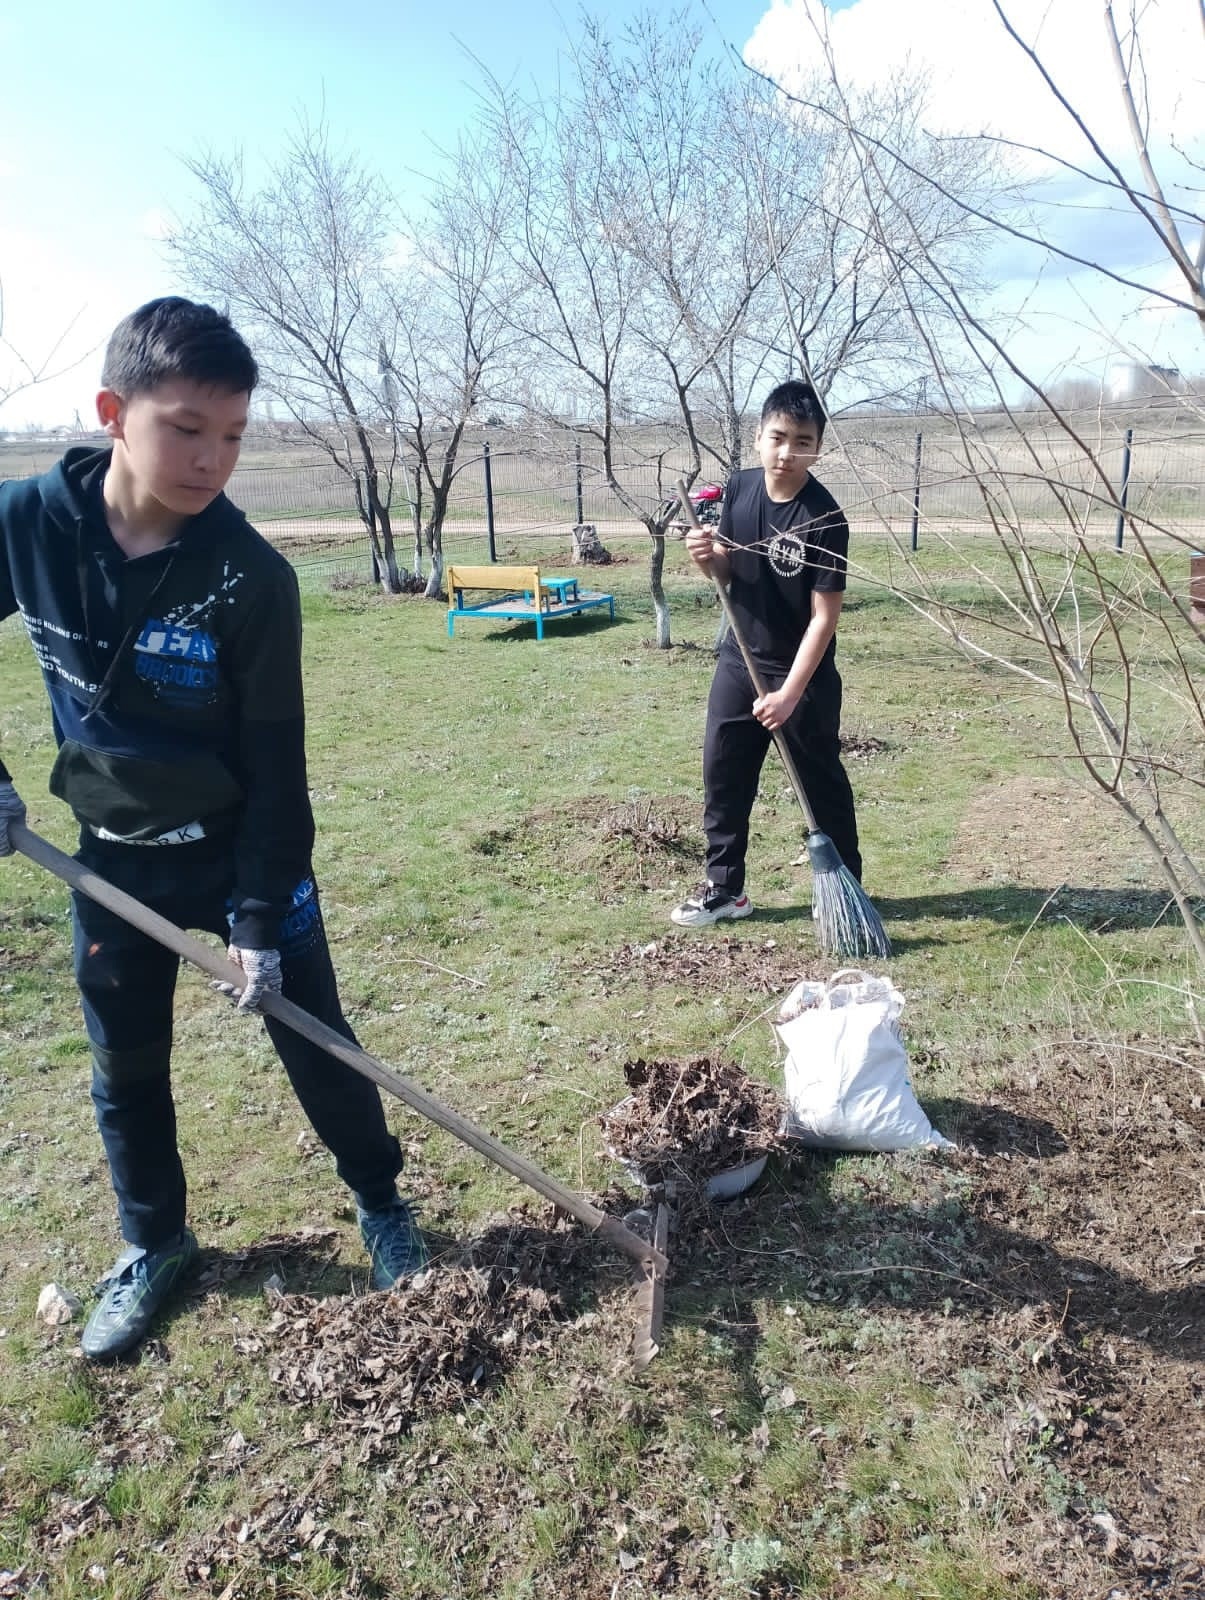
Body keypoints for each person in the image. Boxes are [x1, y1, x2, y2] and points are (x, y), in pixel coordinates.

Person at [0, 298, 426, 1361]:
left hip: (243, 860)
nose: (211, 459)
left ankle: (380, 1203)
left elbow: (279, 766)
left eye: (233, 434)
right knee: (124, 1067)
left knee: (320, 1045)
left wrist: (254, 916)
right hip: (111, 867)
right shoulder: (26, 527)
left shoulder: (250, 578)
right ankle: (156, 1243)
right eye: (187, 427)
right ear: (113, 411)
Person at [672, 379, 863, 927]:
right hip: (740, 659)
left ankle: (844, 893)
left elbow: (824, 618)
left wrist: (788, 695)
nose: (787, 452)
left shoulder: (824, 518)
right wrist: (706, 557)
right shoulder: (741, 488)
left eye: (802, 440)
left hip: (799, 675)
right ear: (758, 437)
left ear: (817, 446)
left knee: (819, 784)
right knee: (724, 773)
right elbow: (729, 574)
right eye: (778, 437)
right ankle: (725, 889)